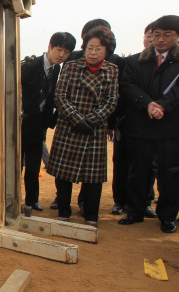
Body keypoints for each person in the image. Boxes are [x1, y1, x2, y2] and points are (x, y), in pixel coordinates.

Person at [46, 27, 119, 226]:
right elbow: (60, 96)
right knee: (63, 174)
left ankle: (91, 215)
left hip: (94, 130)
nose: (93, 52)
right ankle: (63, 211)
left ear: (107, 51)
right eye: (89, 48)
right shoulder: (70, 66)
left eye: (98, 49)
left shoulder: (112, 70)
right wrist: (77, 119)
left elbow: (112, 101)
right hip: (70, 127)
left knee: (93, 177)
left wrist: (92, 120)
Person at [118, 15, 179, 233]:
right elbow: (127, 85)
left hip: (170, 129)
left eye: (167, 35)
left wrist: (162, 106)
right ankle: (134, 211)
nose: (160, 39)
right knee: (137, 172)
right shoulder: (135, 61)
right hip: (140, 126)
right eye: (156, 34)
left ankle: (167, 216)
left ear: (176, 37)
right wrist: (148, 104)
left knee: (169, 175)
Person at [21, 32, 76, 211]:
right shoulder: (29, 66)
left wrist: (50, 120)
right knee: (15, 165)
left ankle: (31, 200)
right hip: (21, 122)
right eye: (59, 50)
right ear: (50, 47)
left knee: (33, 166)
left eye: (66, 52)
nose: (62, 55)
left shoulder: (56, 69)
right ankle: (10, 199)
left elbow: (51, 94)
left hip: (39, 125)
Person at [109, 22, 157, 218]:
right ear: (144, 38)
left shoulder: (171, 63)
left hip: (157, 124)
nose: (153, 40)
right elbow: (121, 91)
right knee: (122, 162)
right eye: (150, 35)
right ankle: (120, 202)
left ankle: (145, 202)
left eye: (158, 35)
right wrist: (115, 122)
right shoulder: (130, 62)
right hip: (128, 122)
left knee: (150, 166)